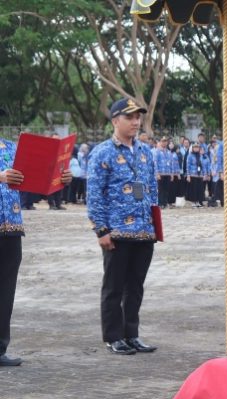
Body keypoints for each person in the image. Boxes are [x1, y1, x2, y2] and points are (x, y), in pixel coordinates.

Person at [87, 98, 159, 355]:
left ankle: (132, 334)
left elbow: (151, 190)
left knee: (136, 287)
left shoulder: (145, 152)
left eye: (138, 117)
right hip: (117, 231)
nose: (136, 122)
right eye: (130, 118)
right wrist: (101, 230)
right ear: (115, 121)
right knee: (114, 287)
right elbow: (95, 193)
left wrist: (155, 224)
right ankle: (113, 336)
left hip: (143, 231)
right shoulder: (102, 152)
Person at [1, 123, 72, 366]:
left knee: (5, 291)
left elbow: (36, 178)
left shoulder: (12, 148)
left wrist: (59, 178)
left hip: (11, 227)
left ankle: (0, 348)